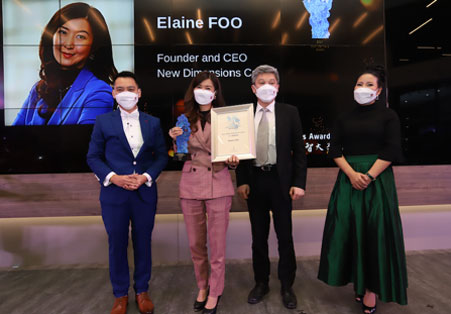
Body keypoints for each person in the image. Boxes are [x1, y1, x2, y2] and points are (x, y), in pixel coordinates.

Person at [317, 65, 408, 314]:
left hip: (377, 181)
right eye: (359, 84)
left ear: (378, 91)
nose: (363, 89)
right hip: (348, 179)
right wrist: (351, 174)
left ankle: (370, 290)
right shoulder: (344, 117)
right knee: (350, 232)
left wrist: (368, 176)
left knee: (373, 233)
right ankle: (359, 283)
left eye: (369, 85)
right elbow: (334, 149)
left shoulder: (389, 116)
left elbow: (391, 150)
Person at [87, 71, 168, 314]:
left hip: (144, 194)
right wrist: (114, 178)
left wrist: (145, 177)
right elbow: (93, 157)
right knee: (117, 244)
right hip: (114, 195)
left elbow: (162, 156)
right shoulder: (103, 121)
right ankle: (120, 295)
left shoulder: (152, 122)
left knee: (143, 242)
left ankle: (142, 291)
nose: (125, 93)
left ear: (139, 92)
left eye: (130, 88)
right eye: (120, 89)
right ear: (113, 94)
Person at [236, 64, 307, 309]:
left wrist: (299, 183)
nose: (267, 86)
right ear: (253, 88)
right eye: (261, 82)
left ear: (277, 87)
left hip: (281, 182)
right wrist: (242, 180)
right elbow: (240, 151)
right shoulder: (244, 114)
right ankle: (261, 283)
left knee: (285, 237)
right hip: (255, 180)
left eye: (271, 82)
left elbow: (299, 151)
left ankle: (287, 285)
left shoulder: (290, 112)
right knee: (258, 237)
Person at [168, 71, 239, 314]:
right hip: (191, 183)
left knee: (217, 246)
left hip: (219, 182)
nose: (204, 91)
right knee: (196, 244)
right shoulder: (184, 118)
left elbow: (235, 152)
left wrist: (234, 160)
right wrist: (174, 141)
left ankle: (215, 290)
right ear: (193, 89)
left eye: (209, 87)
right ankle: (202, 286)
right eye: (199, 86)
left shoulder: (228, 119)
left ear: (215, 92)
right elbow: (179, 155)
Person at [13, 2, 117, 125]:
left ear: (94, 47)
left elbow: (84, 142)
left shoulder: (99, 93)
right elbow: (12, 136)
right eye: (63, 32)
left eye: (80, 37)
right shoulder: (39, 89)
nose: (68, 44)